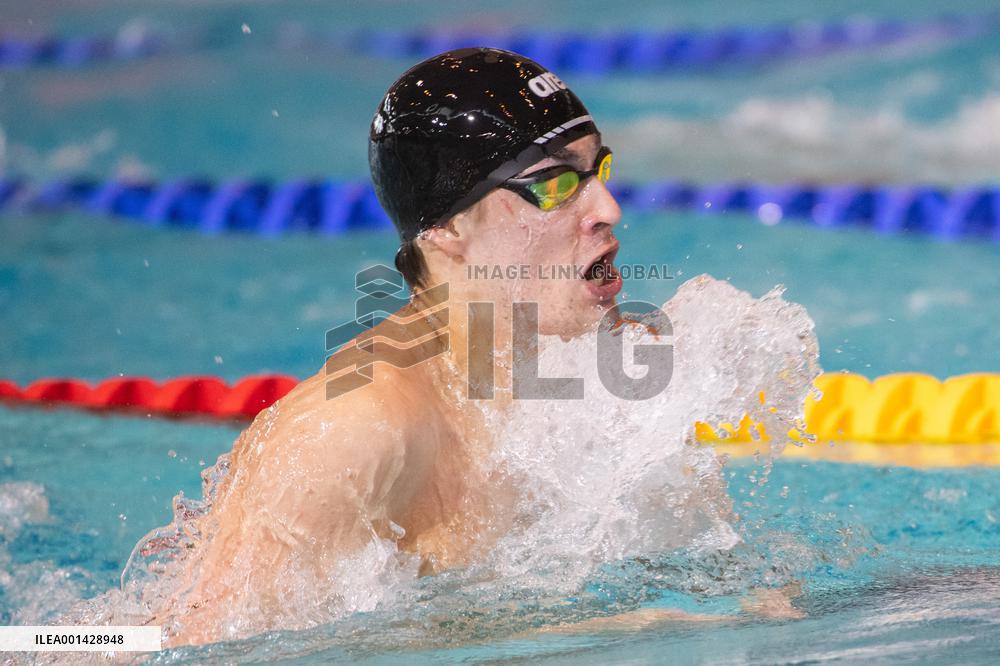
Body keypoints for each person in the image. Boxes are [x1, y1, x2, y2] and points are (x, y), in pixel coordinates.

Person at [160, 47, 769, 646]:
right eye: (554, 184)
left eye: (597, 171)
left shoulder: (599, 364)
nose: (607, 208)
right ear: (447, 227)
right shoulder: (356, 430)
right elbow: (190, 649)